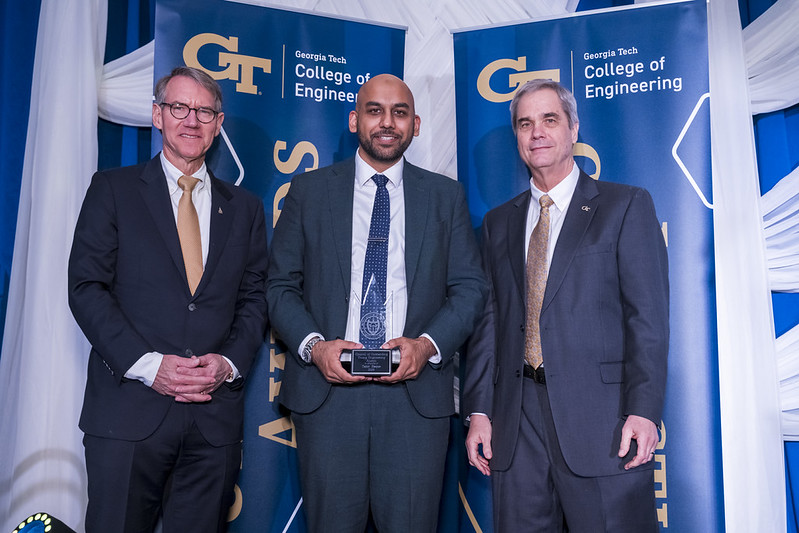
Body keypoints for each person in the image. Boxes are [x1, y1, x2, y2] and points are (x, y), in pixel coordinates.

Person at [266, 73, 486, 533]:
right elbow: (280, 286)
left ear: (416, 125)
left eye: (399, 112)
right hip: (329, 398)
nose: (387, 123)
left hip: (413, 399)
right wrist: (314, 347)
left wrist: (426, 346)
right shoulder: (308, 192)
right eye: (375, 110)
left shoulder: (446, 197)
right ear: (355, 119)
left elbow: (469, 289)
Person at [463, 79, 669, 532]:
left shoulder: (625, 205)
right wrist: (479, 411)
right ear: (517, 136)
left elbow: (648, 319)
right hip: (516, 428)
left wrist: (644, 409)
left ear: (573, 128)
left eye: (549, 119)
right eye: (525, 123)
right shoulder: (499, 222)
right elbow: (488, 323)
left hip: (604, 423)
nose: (537, 132)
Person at [68, 66, 268, 532]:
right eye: (179, 107)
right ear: (158, 116)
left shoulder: (246, 209)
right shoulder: (112, 190)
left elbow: (255, 297)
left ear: (219, 124)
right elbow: (86, 288)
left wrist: (229, 364)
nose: (191, 120)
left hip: (212, 422)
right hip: (127, 414)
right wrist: (149, 365)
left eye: (203, 111)